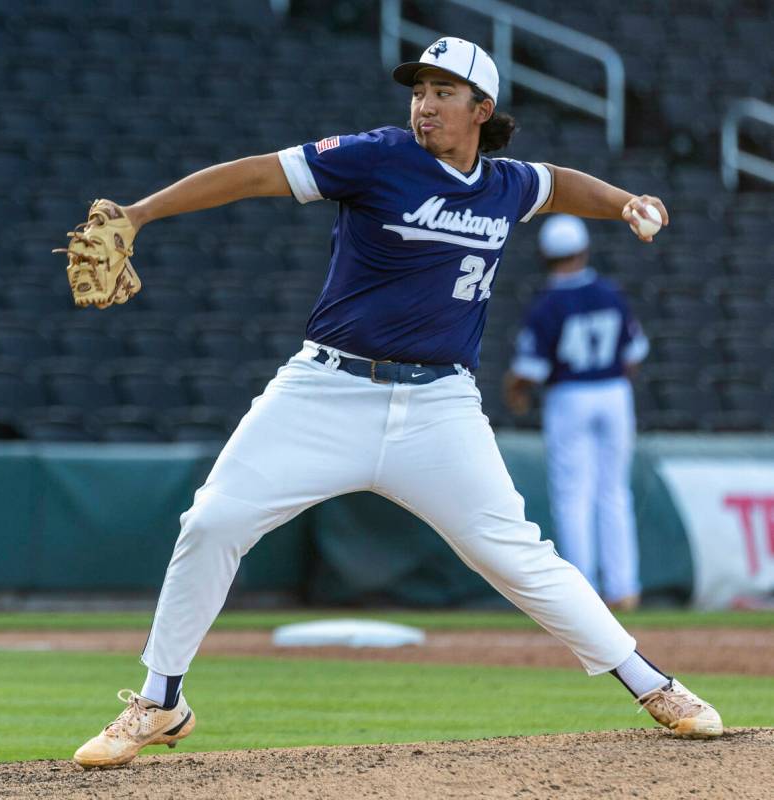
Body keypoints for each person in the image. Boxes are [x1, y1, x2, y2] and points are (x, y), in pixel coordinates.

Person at [72, 37, 722, 768]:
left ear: (482, 109)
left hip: (439, 407)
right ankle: (160, 701)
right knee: (213, 521)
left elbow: (558, 182)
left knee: (517, 555)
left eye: (445, 92)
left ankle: (651, 685)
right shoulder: (376, 156)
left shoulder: (504, 184)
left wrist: (624, 201)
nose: (425, 103)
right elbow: (255, 174)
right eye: (419, 89)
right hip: (324, 390)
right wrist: (141, 212)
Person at [504, 215, 648, 611]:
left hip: (570, 395)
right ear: (583, 250)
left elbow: (529, 371)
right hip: (615, 392)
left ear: (545, 256)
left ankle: (583, 592)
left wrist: (513, 389)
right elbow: (633, 356)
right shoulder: (611, 293)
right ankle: (625, 589)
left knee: (573, 495)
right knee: (614, 492)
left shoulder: (547, 304)